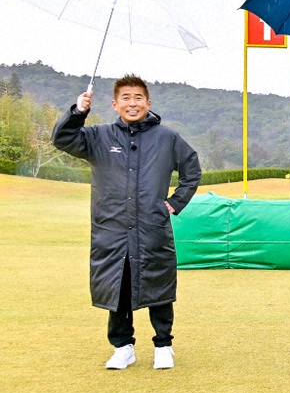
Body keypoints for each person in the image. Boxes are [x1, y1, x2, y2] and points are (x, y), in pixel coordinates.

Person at [52, 74, 201, 370]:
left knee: (158, 286)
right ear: (114, 104)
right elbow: (62, 139)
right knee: (116, 287)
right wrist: (77, 112)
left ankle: (163, 345)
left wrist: (174, 203)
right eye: (126, 98)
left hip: (152, 228)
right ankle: (122, 347)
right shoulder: (98, 136)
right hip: (112, 229)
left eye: (138, 98)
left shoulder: (167, 138)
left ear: (148, 103)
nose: (132, 104)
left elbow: (192, 170)